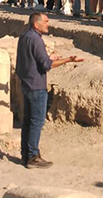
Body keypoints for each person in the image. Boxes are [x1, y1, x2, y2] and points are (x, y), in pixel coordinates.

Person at [16, 12, 84, 168]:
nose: (48, 24)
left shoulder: (25, 36)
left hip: (26, 84)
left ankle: (25, 154)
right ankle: (33, 156)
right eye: (45, 21)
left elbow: (34, 60)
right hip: (36, 85)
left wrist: (50, 57)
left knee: (27, 121)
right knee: (36, 122)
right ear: (36, 24)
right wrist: (68, 60)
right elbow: (46, 66)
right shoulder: (36, 40)